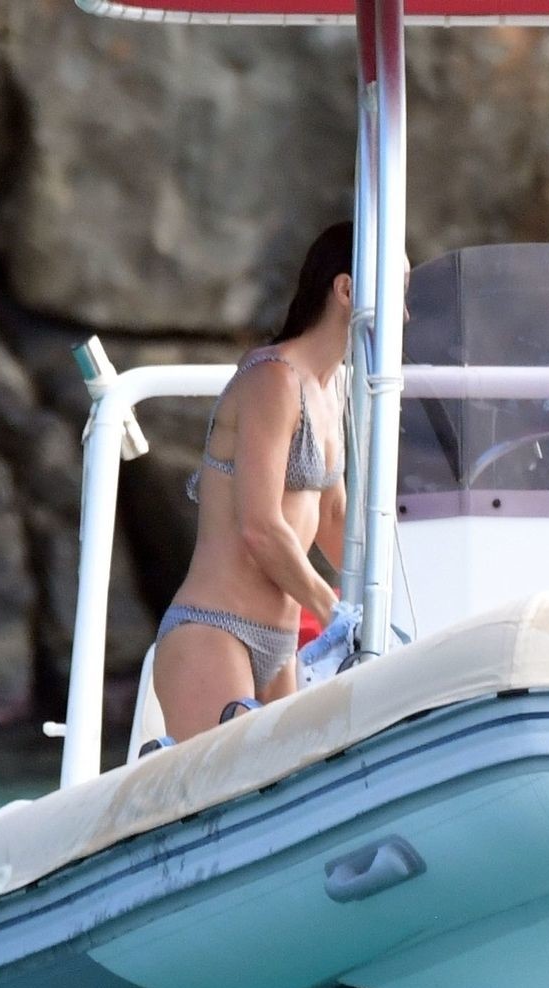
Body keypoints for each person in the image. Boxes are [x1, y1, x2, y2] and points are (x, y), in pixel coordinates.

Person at [152, 222, 353, 741]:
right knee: (234, 784)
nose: (405, 315)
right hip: (214, 630)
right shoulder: (272, 378)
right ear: (346, 290)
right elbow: (259, 527)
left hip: (280, 646)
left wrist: (394, 597)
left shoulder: (332, 389)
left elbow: (333, 520)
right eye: (397, 292)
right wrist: (334, 613)